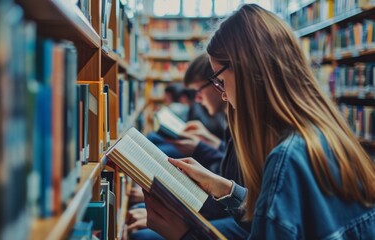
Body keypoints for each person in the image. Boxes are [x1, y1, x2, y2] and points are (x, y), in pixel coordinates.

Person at [144, 4, 375, 239]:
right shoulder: (326, 135)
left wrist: (183, 235)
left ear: (246, 71)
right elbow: (282, 219)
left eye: (221, 81)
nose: (222, 94)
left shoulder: (286, 159)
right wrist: (228, 190)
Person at [127, 54, 244, 239]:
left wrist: (184, 224)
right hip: (226, 209)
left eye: (219, 82)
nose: (197, 99)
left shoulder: (244, 124)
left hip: (227, 214)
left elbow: (235, 197)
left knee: (142, 234)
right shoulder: (233, 121)